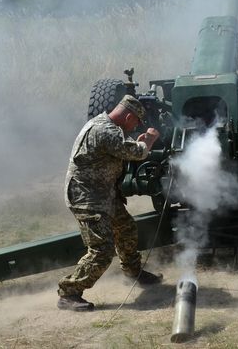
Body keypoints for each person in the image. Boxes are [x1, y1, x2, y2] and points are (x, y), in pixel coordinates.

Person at [57, 95, 162, 312]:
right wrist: (149, 140)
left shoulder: (102, 124)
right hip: (87, 198)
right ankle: (69, 293)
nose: (135, 127)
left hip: (102, 194)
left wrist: (137, 141)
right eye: (135, 123)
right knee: (102, 250)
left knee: (126, 230)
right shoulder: (106, 130)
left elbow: (121, 148)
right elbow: (138, 152)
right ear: (129, 116)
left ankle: (133, 272)